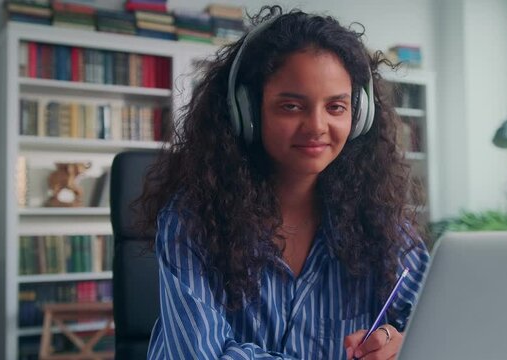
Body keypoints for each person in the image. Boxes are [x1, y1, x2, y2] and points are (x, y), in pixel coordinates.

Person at [140, 5, 429, 359]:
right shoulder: (192, 220)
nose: (317, 126)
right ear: (245, 112)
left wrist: (399, 341)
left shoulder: (380, 221)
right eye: (291, 106)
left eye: (336, 107)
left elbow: (433, 318)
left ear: (359, 117)